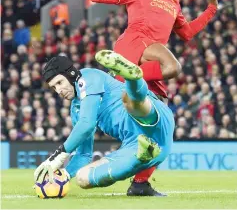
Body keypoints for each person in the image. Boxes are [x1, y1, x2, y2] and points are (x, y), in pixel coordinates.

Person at [80, 0, 218, 195]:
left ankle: (140, 185)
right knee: (174, 67)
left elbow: (186, 33)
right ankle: (129, 72)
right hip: (135, 43)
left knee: (161, 129)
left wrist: (211, 9)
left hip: (150, 61)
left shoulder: (173, 2)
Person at [34, 53, 174, 195]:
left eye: (59, 83)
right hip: (138, 146)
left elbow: (87, 124)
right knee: (83, 179)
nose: (58, 91)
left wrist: (59, 155)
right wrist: (65, 175)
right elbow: (84, 154)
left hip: (153, 120)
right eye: (53, 87)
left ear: (70, 74)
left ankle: (133, 78)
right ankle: (141, 157)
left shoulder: (87, 77)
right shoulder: (77, 110)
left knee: (129, 101)